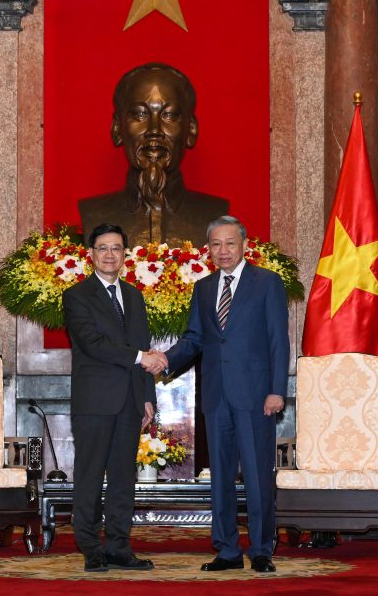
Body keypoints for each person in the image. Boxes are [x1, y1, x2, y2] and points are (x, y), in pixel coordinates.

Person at [142, 216, 289, 573]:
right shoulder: (204, 288)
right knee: (220, 477)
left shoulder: (267, 283)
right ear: (208, 249)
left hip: (256, 397)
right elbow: (195, 339)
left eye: (230, 244)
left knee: (256, 477)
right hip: (217, 396)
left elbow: (277, 341)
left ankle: (260, 549)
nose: (223, 251)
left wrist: (276, 392)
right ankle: (226, 550)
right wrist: (165, 360)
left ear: (243, 244)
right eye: (215, 245)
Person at [63, 223, 165, 572]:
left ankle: (120, 546)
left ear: (125, 255)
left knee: (124, 478)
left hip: (130, 401)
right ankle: (91, 547)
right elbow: (94, 344)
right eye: (103, 248)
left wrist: (147, 396)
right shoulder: (77, 295)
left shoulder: (134, 296)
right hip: (94, 400)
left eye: (116, 248)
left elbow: (143, 343)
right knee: (90, 475)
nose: (110, 254)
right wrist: (141, 358)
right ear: (91, 254)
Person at [79, 63, 228, 247]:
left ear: (191, 130)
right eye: (140, 114)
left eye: (169, 115)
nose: (154, 130)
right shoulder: (93, 212)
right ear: (117, 128)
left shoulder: (214, 213)